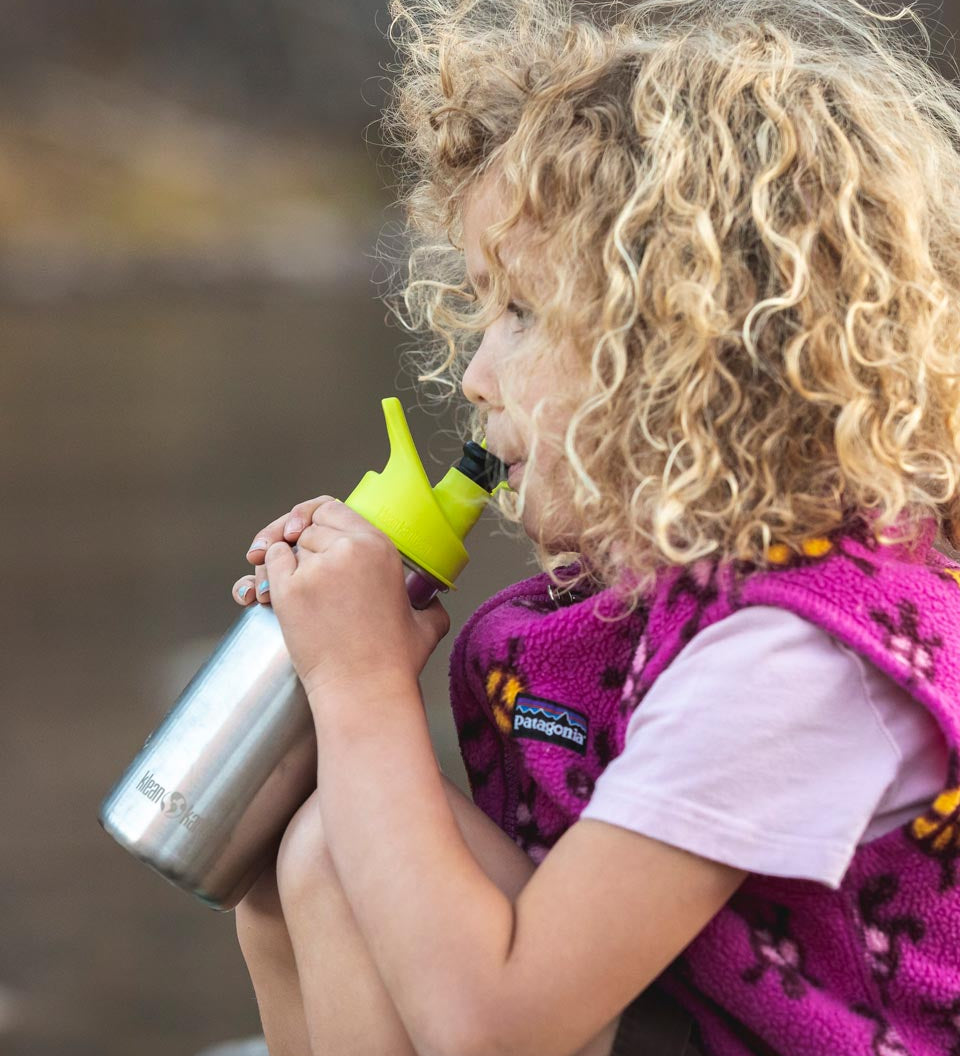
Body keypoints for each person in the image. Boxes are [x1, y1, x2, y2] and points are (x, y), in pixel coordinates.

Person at [228, 0, 960, 1053]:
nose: (475, 377)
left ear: (684, 347)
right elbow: (301, 912)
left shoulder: (795, 663)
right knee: (321, 857)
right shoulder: (652, 610)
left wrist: (363, 690)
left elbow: (494, 1023)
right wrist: (313, 697)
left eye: (521, 313)